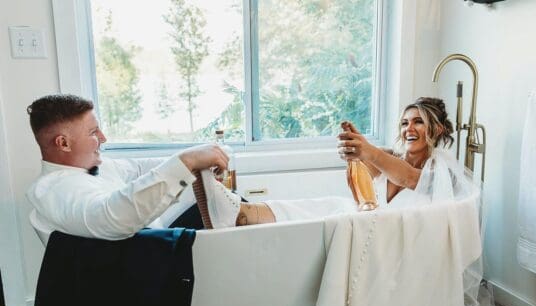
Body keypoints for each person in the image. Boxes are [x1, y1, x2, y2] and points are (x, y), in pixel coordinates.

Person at [212, 96, 458, 227]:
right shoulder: (389, 156)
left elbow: (408, 177)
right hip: (369, 223)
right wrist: (354, 152)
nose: (409, 128)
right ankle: (242, 212)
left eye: (418, 122)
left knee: (331, 217)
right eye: (405, 122)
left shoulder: (439, 170)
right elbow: (361, 180)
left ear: (435, 129)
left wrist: (368, 151)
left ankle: (240, 214)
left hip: (393, 236)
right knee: (322, 206)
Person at [26, 93, 241, 242]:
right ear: (63, 143)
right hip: (140, 274)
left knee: (237, 213)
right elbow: (113, 217)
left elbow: (139, 169)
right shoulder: (54, 191)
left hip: (153, 246)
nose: (103, 138)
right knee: (241, 225)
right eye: (93, 132)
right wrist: (187, 162)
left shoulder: (100, 166)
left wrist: (202, 155)